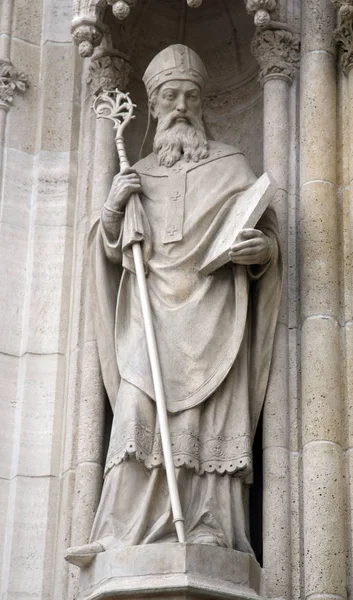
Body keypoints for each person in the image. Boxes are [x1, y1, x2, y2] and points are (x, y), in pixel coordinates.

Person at [65, 44, 282, 567]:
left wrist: (263, 250)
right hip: (149, 312)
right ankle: (121, 533)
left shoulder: (232, 165)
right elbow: (109, 249)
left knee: (206, 425)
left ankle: (210, 531)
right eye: (169, 96)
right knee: (137, 411)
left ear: (203, 104)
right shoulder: (135, 173)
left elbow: (265, 228)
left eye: (189, 96)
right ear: (154, 105)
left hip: (213, 316)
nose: (181, 105)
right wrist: (114, 211)